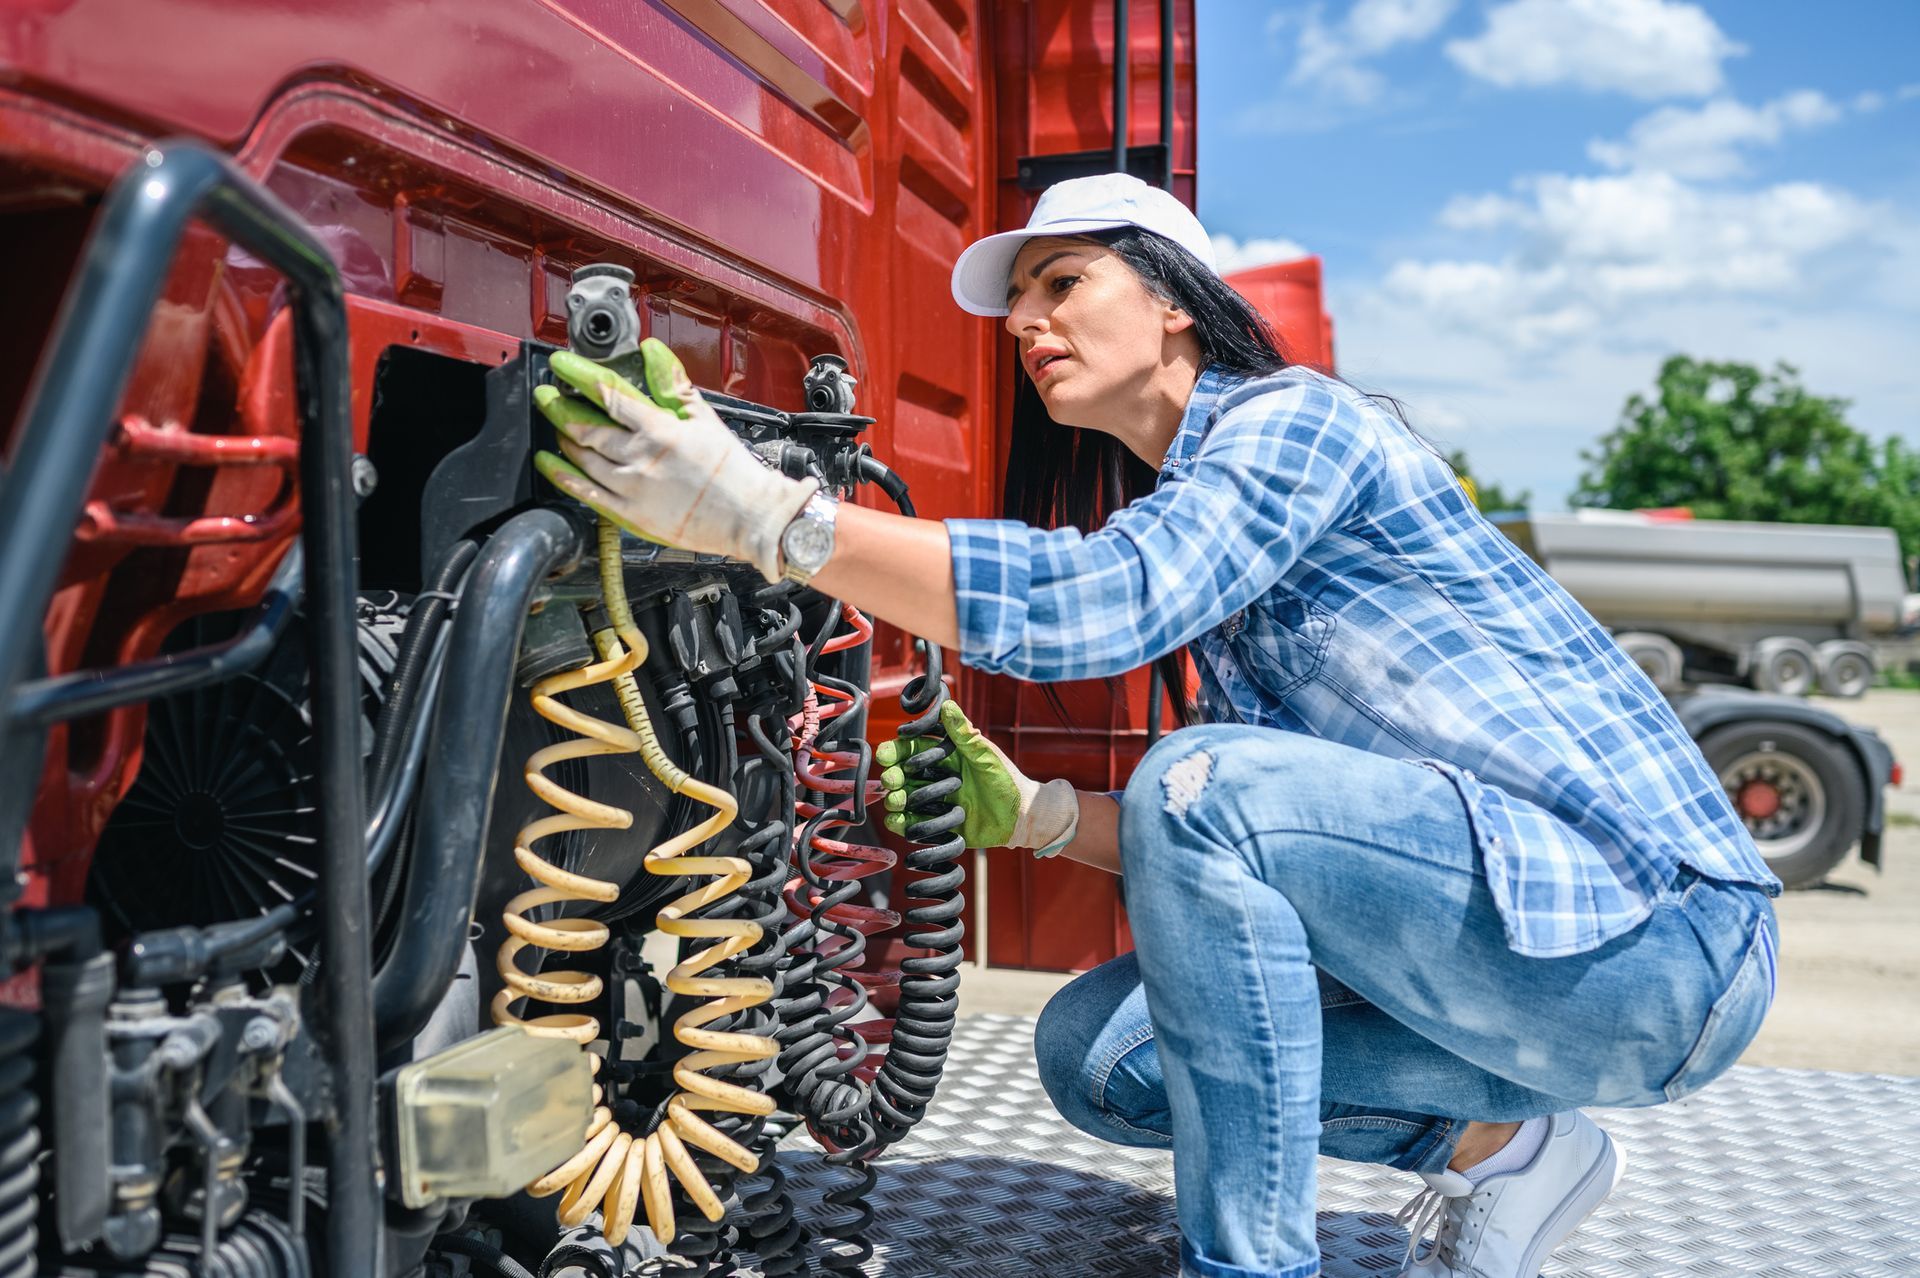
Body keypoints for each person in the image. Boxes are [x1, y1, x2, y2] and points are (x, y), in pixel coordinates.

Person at [533, 172, 1782, 1278]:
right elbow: (1253, 850)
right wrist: (1040, 818)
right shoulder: (1220, 536)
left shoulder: (1297, 419)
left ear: (1176, 299)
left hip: (1658, 948)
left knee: (1204, 782)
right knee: (1101, 1055)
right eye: (1020, 304)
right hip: (1505, 957)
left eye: (1064, 282)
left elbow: (1113, 618)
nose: (1025, 325)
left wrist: (770, 517)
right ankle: (1512, 1148)